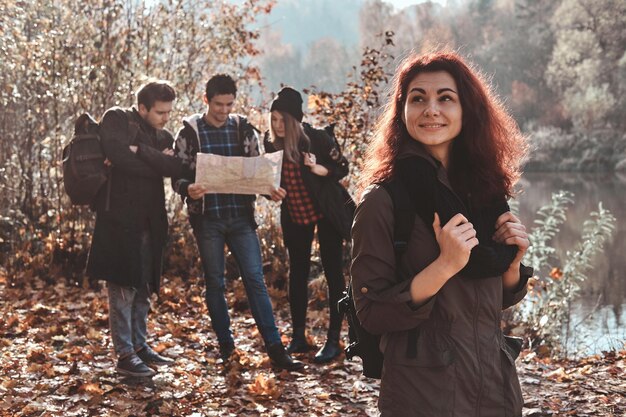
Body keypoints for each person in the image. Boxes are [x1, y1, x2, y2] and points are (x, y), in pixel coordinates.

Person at [350, 51, 533, 416]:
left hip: (495, 387)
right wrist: (444, 266)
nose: (431, 109)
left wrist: (512, 266)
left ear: (467, 109)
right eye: (418, 98)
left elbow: (481, 302)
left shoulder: (484, 192)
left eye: (445, 98)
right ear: (402, 112)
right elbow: (370, 313)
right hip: (424, 394)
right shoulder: (384, 200)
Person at [171, 74, 303, 371]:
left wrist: (271, 190)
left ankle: (276, 350)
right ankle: (227, 348)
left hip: (241, 217)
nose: (224, 110)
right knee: (215, 282)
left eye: (229, 104)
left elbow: (258, 173)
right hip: (207, 219)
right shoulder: (190, 133)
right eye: (218, 104)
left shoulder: (244, 129)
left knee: (255, 280)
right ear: (206, 100)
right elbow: (176, 176)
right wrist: (186, 188)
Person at [86, 80, 184, 377]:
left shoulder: (163, 134)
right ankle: (125, 354)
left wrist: (140, 151)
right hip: (119, 221)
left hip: (151, 222)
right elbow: (119, 157)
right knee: (122, 289)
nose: (166, 118)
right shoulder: (116, 118)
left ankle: (140, 346)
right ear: (142, 108)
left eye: (168, 112)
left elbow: (175, 168)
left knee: (143, 287)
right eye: (160, 112)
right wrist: (154, 161)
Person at [264, 87, 354, 363]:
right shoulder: (271, 145)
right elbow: (267, 182)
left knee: (332, 271)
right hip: (295, 213)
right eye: (274, 119)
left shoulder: (317, 138)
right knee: (298, 272)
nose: (278, 126)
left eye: (283, 120)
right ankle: (299, 337)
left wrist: (318, 168)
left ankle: (333, 339)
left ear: (294, 120)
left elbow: (343, 168)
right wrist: (271, 191)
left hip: (327, 211)